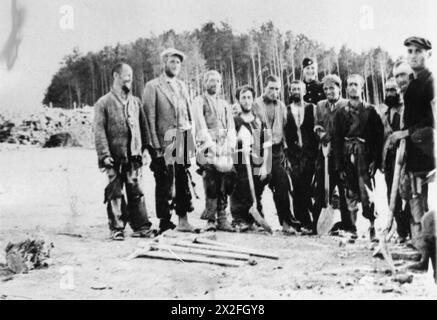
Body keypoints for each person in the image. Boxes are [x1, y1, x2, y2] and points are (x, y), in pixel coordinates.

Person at [388, 37, 435, 272]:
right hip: (416, 158)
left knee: (430, 211)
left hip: (430, 157)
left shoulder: (430, 83)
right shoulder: (414, 85)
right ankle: (424, 257)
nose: (414, 55)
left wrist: (404, 133)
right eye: (410, 51)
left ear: (429, 55)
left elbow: (431, 124)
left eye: (419, 51)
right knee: (418, 206)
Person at [94, 62, 153, 241]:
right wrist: (104, 155)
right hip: (113, 157)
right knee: (115, 192)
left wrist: (145, 149)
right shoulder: (103, 103)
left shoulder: (135, 102)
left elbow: (144, 128)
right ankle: (117, 227)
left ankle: (141, 226)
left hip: (133, 156)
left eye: (131, 76)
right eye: (126, 75)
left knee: (136, 190)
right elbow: (99, 131)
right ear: (116, 76)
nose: (130, 79)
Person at [142, 48, 198, 234]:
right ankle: (165, 222)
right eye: (172, 61)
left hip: (182, 138)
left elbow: (188, 115)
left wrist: (191, 141)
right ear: (164, 63)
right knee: (164, 181)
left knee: (183, 180)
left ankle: (183, 220)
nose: (175, 65)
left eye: (178, 62)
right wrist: (154, 146)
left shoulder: (182, 86)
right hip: (164, 140)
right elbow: (149, 117)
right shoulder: (153, 86)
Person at [334, 74, 384, 242]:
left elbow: (378, 139)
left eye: (356, 84)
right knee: (349, 191)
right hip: (347, 154)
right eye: (350, 85)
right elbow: (337, 140)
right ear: (346, 88)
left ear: (362, 87)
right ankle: (353, 228)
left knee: (367, 192)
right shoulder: (341, 112)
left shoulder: (371, 111)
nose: (352, 87)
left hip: (364, 155)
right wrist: (339, 166)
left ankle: (372, 227)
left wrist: (375, 161)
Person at [253, 75, 302, 234]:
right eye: (271, 88)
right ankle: (258, 219)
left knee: (282, 185)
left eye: (277, 89)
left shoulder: (282, 107)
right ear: (264, 88)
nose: (274, 92)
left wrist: (285, 152)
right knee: (258, 185)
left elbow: (286, 131)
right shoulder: (255, 104)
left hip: (276, 151)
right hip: (258, 151)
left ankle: (286, 222)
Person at [192, 70, 236, 232]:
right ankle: (210, 219)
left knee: (227, 177)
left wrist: (228, 145)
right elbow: (200, 124)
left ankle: (222, 218)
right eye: (211, 80)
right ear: (205, 83)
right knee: (211, 180)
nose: (215, 84)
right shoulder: (199, 101)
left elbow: (230, 125)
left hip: (223, 147)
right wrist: (211, 145)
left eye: (217, 81)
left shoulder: (224, 104)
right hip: (207, 147)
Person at [313, 74, 351, 236]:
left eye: (332, 88)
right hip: (325, 155)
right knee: (321, 189)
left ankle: (348, 225)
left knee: (344, 191)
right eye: (326, 89)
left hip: (342, 156)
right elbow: (316, 125)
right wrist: (321, 134)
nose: (328, 91)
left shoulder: (347, 105)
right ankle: (318, 225)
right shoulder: (320, 106)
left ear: (339, 88)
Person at [230, 85, 270, 232]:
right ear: (238, 100)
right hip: (239, 161)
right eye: (243, 98)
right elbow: (229, 143)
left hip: (256, 160)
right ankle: (239, 219)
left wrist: (265, 165)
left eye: (249, 97)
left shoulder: (259, 121)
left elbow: (266, 144)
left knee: (260, 179)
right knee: (240, 183)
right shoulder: (234, 121)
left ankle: (255, 215)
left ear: (253, 100)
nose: (246, 101)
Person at [379, 75, 411, 243]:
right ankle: (401, 232)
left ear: (401, 91)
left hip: (407, 160)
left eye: (393, 90)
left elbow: (417, 130)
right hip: (389, 160)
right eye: (387, 90)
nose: (389, 93)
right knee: (392, 197)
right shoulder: (384, 113)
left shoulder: (409, 110)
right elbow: (379, 138)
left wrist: (402, 135)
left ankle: (412, 231)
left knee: (408, 195)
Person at [285, 80, 318, 233]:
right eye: (293, 89)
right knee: (296, 187)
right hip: (293, 155)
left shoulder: (312, 108)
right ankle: (301, 221)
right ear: (290, 92)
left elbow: (317, 129)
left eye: (299, 88)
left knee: (309, 186)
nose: (296, 91)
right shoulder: (286, 110)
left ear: (304, 91)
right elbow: (284, 132)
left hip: (310, 154)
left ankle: (313, 221)